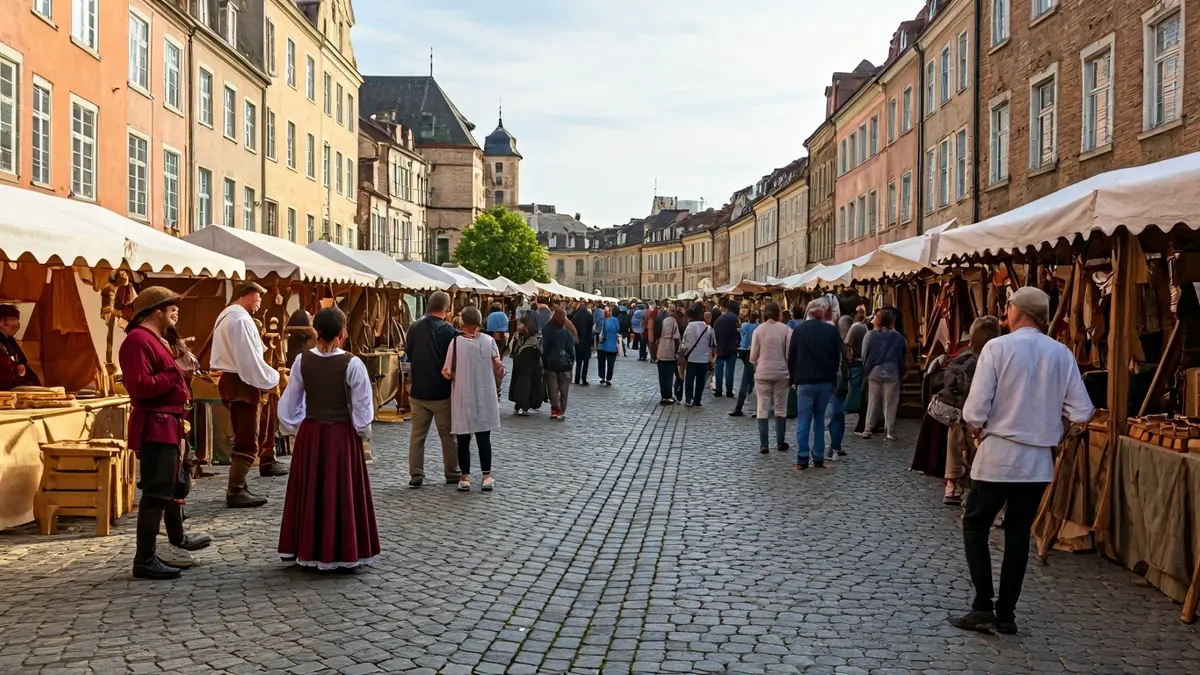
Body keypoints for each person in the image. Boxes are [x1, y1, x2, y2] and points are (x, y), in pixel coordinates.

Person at [951, 287, 1093, 635]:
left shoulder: (997, 348)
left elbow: (974, 409)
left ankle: (983, 603)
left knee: (975, 525)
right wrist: (1056, 428)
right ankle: (1007, 614)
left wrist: (976, 427)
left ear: (1017, 311)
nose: (1006, 310)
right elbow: (1082, 411)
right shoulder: (1061, 353)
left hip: (999, 455)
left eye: (1009, 305)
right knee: (1017, 535)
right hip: (1037, 462)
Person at [277, 308, 379, 570]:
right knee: (340, 491)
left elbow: (289, 404)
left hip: (311, 434)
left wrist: (299, 426)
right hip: (340, 436)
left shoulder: (301, 361)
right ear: (342, 334)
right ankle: (340, 551)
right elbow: (363, 408)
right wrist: (362, 433)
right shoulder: (352, 364)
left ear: (316, 332)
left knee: (311, 489)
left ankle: (306, 547)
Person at [119, 288, 211, 580]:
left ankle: (168, 545)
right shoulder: (137, 341)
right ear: (155, 311)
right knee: (156, 492)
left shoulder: (155, 340)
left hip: (168, 423)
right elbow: (141, 387)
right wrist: (176, 371)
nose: (176, 311)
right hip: (155, 424)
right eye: (171, 307)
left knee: (171, 486)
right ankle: (144, 559)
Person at [210, 282, 283, 508]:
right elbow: (248, 359)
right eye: (258, 297)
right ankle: (236, 490)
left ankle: (239, 486)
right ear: (248, 295)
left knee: (245, 436)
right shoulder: (239, 319)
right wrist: (271, 378)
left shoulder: (228, 315)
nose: (260, 301)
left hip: (236, 381)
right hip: (242, 383)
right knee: (247, 440)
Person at [937, 316, 1002, 505]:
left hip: (955, 412)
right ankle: (971, 492)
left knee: (955, 448)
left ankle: (952, 487)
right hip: (970, 415)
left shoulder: (962, 356)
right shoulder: (983, 360)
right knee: (973, 453)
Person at [442, 307, 504, 492]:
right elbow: (498, 367)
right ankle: (486, 476)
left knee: (463, 438)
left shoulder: (455, 342)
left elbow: (447, 372)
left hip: (463, 394)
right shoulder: (489, 341)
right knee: (484, 437)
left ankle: (465, 477)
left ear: (462, 322)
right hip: (484, 394)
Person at [404, 291, 460, 488]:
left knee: (417, 437)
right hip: (441, 392)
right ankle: (452, 472)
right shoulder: (448, 330)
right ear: (445, 308)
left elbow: (408, 354)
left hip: (418, 390)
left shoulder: (414, 328)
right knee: (448, 437)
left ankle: (416, 473)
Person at [787, 300, 842, 469]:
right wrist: (832, 378)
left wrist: (794, 378)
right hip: (825, 381)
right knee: (819, 419)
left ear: (809, 314)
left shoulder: (799, 330)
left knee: (803, 419)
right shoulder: (832, 331)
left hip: (805, 381)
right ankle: (818, 456)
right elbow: (836, 357)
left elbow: (792, 357)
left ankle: (802, 458)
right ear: (824, 314)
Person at [860, 308, 907, 441]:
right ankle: (890, 431)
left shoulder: (870, 335)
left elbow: (864, 354)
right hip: (892, 371)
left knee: (873, 401)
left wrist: (867, 368)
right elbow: (902, 356)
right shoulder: (898, 337)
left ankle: (868, 428)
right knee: (890, 403)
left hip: (874, 370)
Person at [750, 303, 790, 454]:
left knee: (762, 407)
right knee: (781, 408)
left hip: (763, 372)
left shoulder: (758, 330)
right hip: (781, 372)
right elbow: (789, 353)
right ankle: (780, 441)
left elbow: (753, 355)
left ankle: (764, 444)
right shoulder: (786, 329)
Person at [542, 308, 575, 420]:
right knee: (564, 389)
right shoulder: (567, 333)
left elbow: (544, 348)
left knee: (552, 388)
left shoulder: (547, 331)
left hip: (550, 364)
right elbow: (571, 350)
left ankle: (555, 409)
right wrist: (571, 362)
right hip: (565, 365)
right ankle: (562, 409)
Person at [680, 304, 716, 407]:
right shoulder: (708, 328)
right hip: (704, 359)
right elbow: (712, 345)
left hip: (692, 358)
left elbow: (685, 343)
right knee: (701, 381)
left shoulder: (690, 326)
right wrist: (711, 359)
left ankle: (688, 399)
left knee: (690, 379)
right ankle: (697, 400)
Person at [508, 315, 545, 416]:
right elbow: (541, 349)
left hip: (521, 359)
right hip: (530, 360)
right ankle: (523, 405)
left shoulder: (519, 335)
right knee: (526, 382)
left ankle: (520, 404)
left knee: (522, 382)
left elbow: (512, 347)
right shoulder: (535, 336)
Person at [0, 304, 40, 390]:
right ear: (5, 321)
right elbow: (4, 373)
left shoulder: (10, 342)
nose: (18, 325)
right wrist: (16, 369)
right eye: (16, 320)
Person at [729, 310, 760, 417]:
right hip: (758, 354)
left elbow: (740, 332)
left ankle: (739, 407)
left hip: (745, 352)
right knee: (758, 382)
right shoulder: (759, 327)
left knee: (745, 380)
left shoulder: (745, 325)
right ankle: (760, 409)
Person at [712, 301, 740, 399]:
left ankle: (718, 390)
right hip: (731, 348)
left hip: (719, 347)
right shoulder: (735, 319)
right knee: (730, 371)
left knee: (719, 369)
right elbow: (738, 333)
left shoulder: (720, 319)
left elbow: (714, 332)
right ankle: (729, 391)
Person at [571, 301, 595, 386]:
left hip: (579, 340)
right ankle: (584, 378)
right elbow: (592, 325)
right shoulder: (589, 315)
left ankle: (577, 379)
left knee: (578, 361)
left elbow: (572, 326)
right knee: (586, 361)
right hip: (587, 340)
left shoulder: (576, 316)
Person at [596, 306, 621, 386]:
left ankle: (602, 377)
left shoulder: (601, 320)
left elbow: (597, 330)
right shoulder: (615, 320)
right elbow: (618, 329)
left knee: (601, 362)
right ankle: (608, 378)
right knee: (611, 363)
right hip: (612, 345)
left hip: (602, 345)